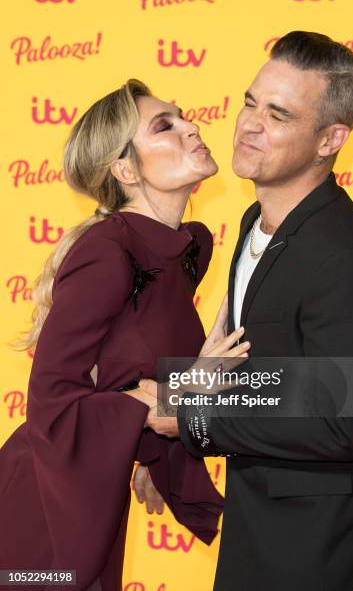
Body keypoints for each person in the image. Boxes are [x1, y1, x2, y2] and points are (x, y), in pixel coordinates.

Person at [144, 32, 353, 590]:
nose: (249, 124)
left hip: (324, 557)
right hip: (258, 534)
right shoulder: (255, 224)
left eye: (279, 115)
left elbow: (340, 421)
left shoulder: (348, 258)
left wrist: (189, 419)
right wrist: (158, 436)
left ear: (330, 139)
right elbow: (257, 371)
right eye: (249, 103)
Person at [0, 79, 251, 590]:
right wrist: (145, 407)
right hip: (45, 505)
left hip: (95, 490)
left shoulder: (182, 253)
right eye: (165, 126)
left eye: (183, 116)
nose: (191, 126)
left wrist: (142, 450)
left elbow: (126, 368)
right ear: (126, 169)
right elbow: (52, 403)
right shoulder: (109, 251)